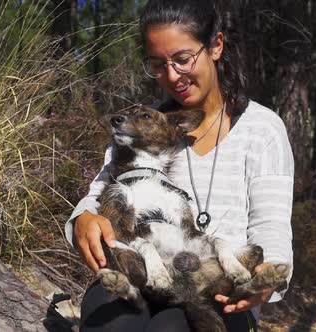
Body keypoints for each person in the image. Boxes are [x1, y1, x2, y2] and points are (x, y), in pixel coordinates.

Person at [64, 0, 294, 330]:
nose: (172, 76)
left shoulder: (262, 130)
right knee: (113, 323)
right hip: (141, 265)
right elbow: (99, 192)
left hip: (216, 283)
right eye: (158, 65)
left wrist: (266, 276)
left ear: (215, 45)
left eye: (183, 59)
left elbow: (271, 228)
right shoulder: (146, 126)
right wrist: (83, 218)